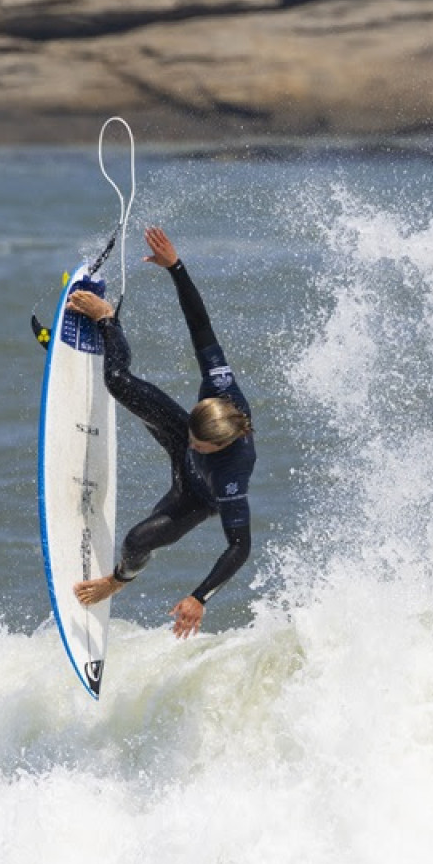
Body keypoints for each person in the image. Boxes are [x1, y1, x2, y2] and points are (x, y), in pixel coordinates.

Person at [66, 225, 254, 638]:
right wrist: (176, 267)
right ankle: (107, 320)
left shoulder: (229, 475)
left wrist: (199, 597)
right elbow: (200, 326)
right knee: (116, 379)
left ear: (221, 445)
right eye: (195, 434)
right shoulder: (220, 387)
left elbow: (240, 547)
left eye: (200, 444)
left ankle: (119, 580)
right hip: (178, 429)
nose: (193, 444)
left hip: (194, 495)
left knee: (136, 541)